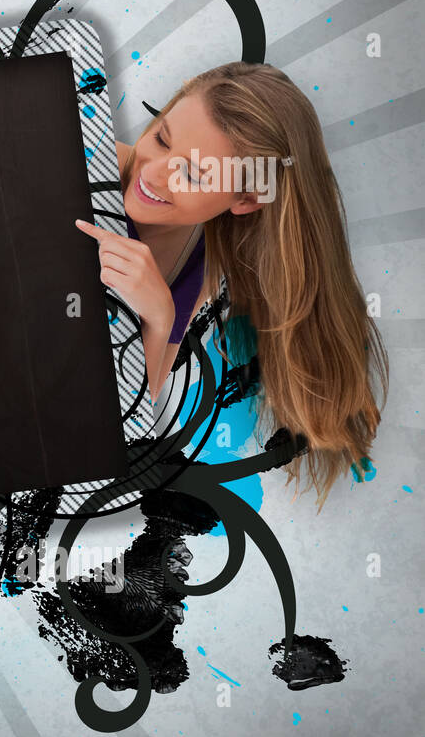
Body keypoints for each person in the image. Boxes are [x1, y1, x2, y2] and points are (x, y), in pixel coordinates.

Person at [74, 61, 387, 509]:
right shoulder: (75, 160)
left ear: (245, 199)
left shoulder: (196, 271)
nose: (156, 173)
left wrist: (159, 319)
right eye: (162, 138)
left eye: (195, 175)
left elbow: (110, 434)